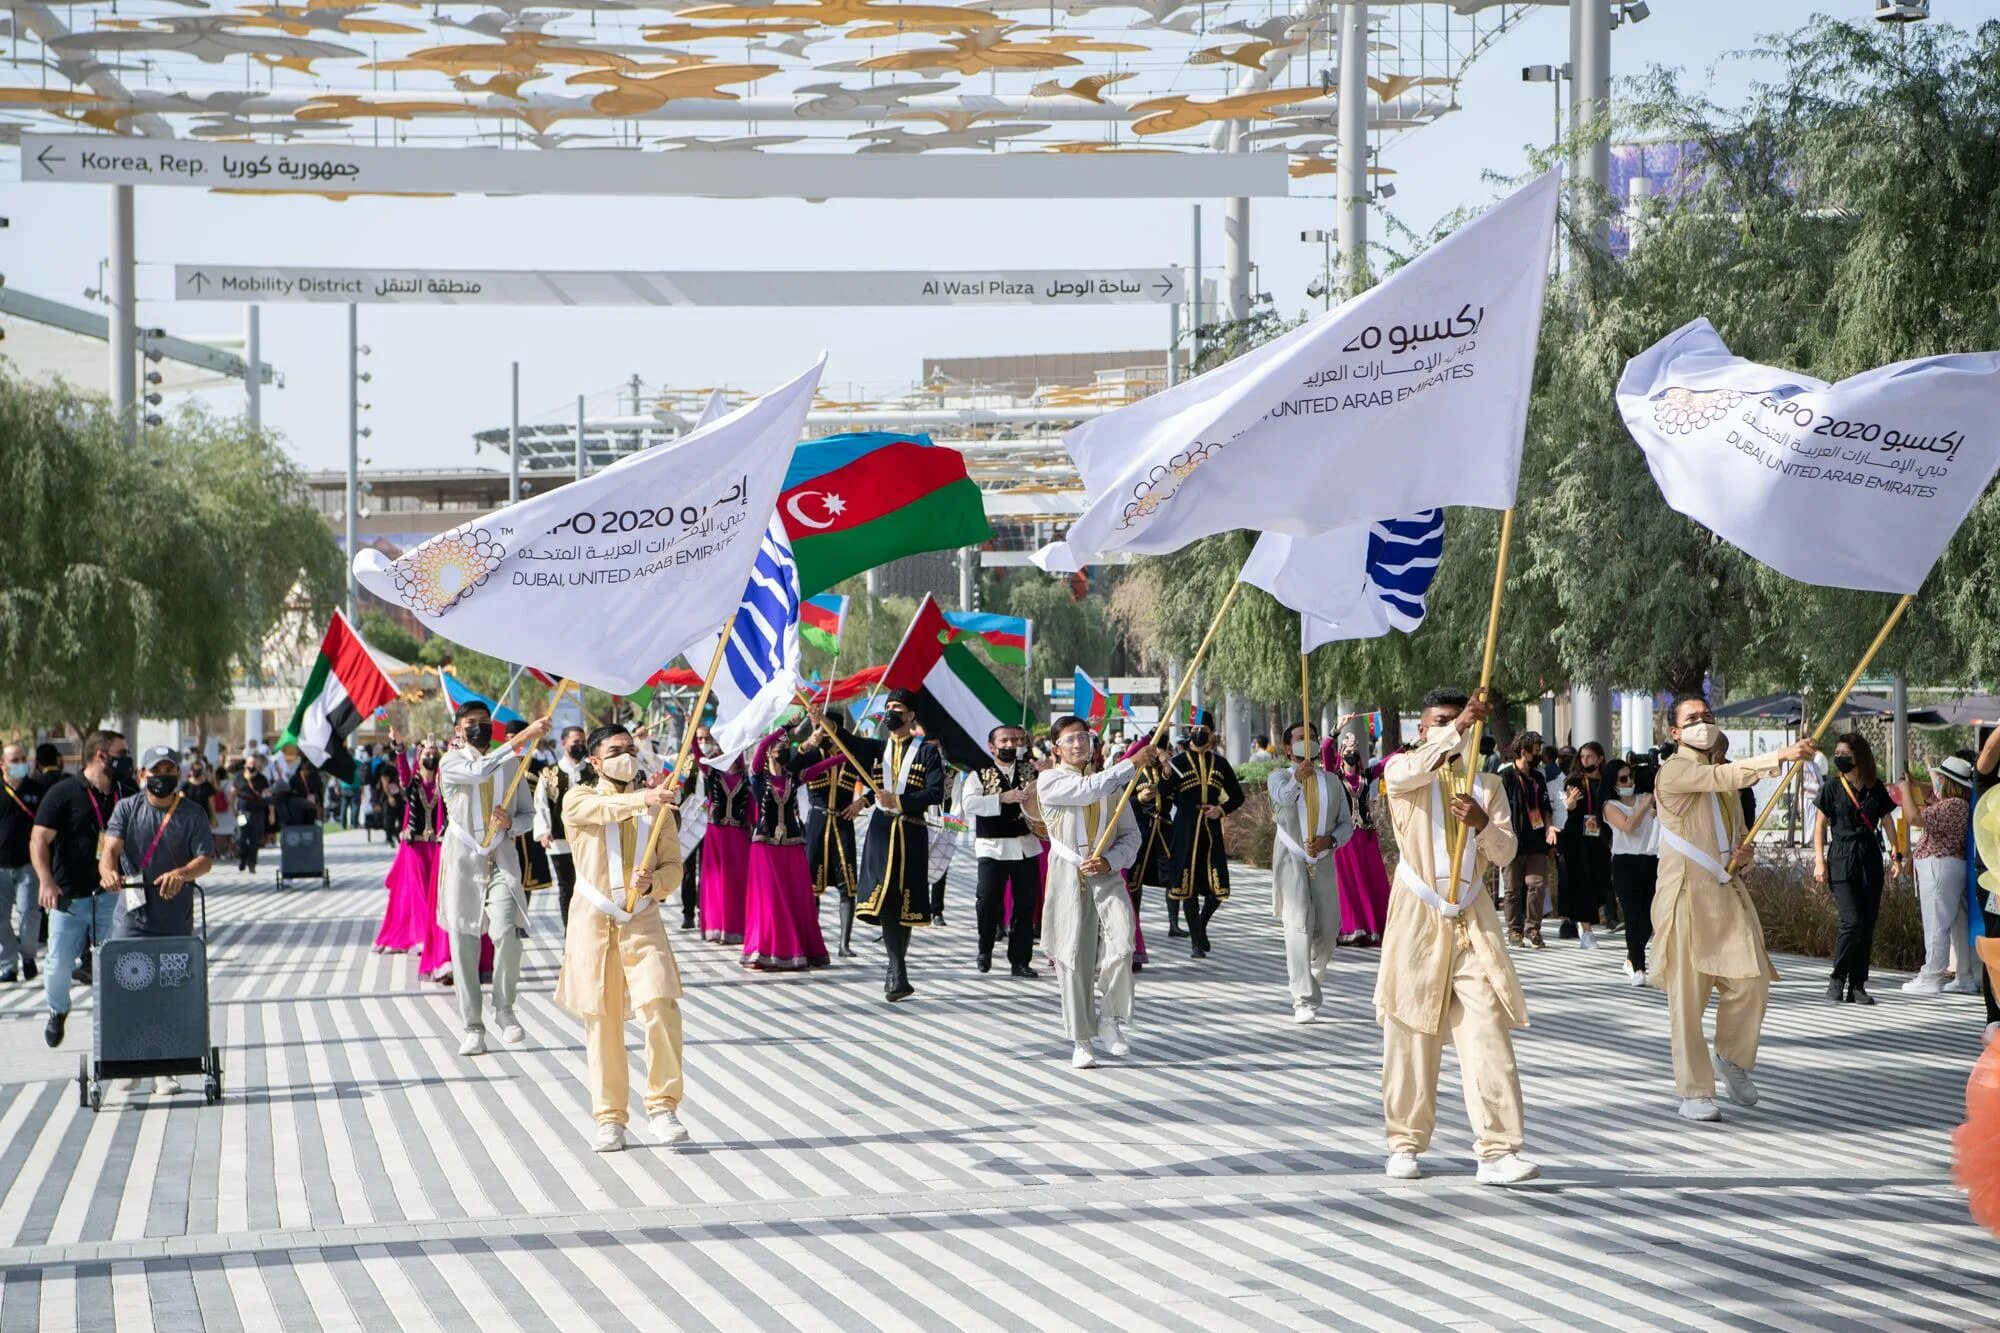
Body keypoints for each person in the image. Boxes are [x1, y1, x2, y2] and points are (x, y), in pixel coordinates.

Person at [1376, 688, 1538, 1186]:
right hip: (1417, 919)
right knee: (1411, 1034)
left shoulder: (1487, 784)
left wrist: (1483, 823)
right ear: (1422, 729)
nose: (1457, 729)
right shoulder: (1403, 774)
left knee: (1487, 1028)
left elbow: (1507, 853)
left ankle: (1497, 1150)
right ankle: (1404, 1141)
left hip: (1472, 920)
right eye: (1442, 722)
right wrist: (1461, 724)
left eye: (1462, 721)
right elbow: (1406, 771)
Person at [1652, 696, 1816, 1122]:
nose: (1702, 723)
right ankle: (1695, 1091)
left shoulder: (1722, 787)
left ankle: (1732, 1057)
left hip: (1726, 893)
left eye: (1707, 716)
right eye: (1692, 719)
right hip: (1687, 895)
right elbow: (1724, 775)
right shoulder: (1676, 770)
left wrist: (1744, 855)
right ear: (1675, 732)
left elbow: (1740, 836)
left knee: (1752, 981)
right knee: (1688, 1000)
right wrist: (1780, 755)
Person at [557, 723, 690, 1153]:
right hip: (594, 924)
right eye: (616, 750)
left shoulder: (659, 809)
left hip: (642, 922)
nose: (627, 756)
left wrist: (654, 883)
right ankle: (610, 1117)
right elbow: (600, 812)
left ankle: (663, 1105)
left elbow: (675, 867)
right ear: (594, 760)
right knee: (603, 1022)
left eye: (632, 749)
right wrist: (645, 798)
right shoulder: (579, 798)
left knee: (661, 1006)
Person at [98, 746, 215, 1096]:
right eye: (155, 770)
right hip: (132, 918)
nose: (162, 776)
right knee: (128, 990)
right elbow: (110, 851)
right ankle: (129, 1064)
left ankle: (166, 1068)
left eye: (169, 769)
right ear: (141, 776)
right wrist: (107, 871)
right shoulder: (127, 809)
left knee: (170, 993)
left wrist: (182, 872)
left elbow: (205, 860)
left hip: (174, 920)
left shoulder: (191, 813)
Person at [437, 702, 551, 1056]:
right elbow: (477, 772)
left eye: (485, 722)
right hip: (462, 861)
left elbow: (528, 815)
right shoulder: (451, 762)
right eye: (471, 723)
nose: (479, 728)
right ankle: (472, 1026)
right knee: (465, 943)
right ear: (459, 729)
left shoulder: (510, 764)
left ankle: (504, 1009)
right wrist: (524, 738)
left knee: (508, 932)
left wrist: (510, 824)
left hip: (501, 860)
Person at [1036, 715, 1146, 1068]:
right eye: (1070, 740)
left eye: (1084, 737)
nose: (1079, 744)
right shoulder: (1050, 781)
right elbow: (1085, 792)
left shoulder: (1112, 786)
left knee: (1123, 942)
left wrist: (1112, 860)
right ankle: (1081, 1039)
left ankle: (1110, 1018)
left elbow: (1132, 835)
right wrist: (1130, 764)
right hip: (1069, 874)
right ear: (1057, 749)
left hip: (1106, 874)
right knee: (1074, 957)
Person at [30, 729, 134, 1047]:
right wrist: (46, 881)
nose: (126, 759)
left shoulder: (127, 793)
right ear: (102, 756)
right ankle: (58, 1010)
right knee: (58, 965)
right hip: (68, 897)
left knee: (115, 964)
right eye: (122, 752)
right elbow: (39, 840)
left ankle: (115, 1027)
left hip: (111, 897)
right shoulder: (64, 793)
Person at [844, 690, 947, 1003]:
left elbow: (935, 793)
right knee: (885, 896)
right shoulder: (878, 748)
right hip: (881, 831)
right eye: (888, 707)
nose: (891, 712)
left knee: (905, 901)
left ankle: (895, 968)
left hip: (911, 832)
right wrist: (826, 725)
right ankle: (897, 969)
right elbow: (847, 743)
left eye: (897, 708)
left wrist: (901, 801)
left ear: (911, 715)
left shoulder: (927, 752)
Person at [1270, 721, 1355, 1023]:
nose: (1307, 741)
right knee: (1298, 925)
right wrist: (1297, 780)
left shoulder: (1332, 781)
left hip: (1323, 860)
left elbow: (1346, 824)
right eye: (1299, 738)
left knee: (1329, 929)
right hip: (1290, 860)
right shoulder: (1278, 777)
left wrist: (1329, 841)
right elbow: (1283, 799)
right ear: (1288, 747)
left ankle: (1314, 974)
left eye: (1312, 737)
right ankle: (1303, 999)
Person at [1812, 732, 1902, 1006]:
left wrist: (1897, 855)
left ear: (1859, 757)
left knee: (1867, 924)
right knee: (1851, 921)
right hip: (1841, 856)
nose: (1839, 759)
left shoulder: (1875, 787)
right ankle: (1837, 979)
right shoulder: (1831, 787)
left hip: (1869, 857)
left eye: (1845, 756)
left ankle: (1858, 985)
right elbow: (1819, 825)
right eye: (1837, 754)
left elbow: (1887, 821)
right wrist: (1819, 860)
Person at [957, 723, 1045, 978]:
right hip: (992, 848)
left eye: (1015, 740)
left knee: (1025, 905)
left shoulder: (1031, 770)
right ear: (992, 746)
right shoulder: (979, 773)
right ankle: (984, 947)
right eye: (1004, 740)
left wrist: (1046, 776)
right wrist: (1001, 798)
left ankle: (1020, 961)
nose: (1010, 745)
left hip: (1026, 847)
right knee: (987, 901)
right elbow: (969, 804)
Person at [741, 726, 831, 971]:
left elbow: (818, 769)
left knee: (796, 897)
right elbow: (760, 747)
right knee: (769, 898)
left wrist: (844, 754)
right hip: (764, 845)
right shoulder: (758, 776)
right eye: (779, 748)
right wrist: (785, 728)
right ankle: (767, 949)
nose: (784, 751)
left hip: (792, 844)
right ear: (770, 753)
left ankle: (799, 950)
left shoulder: (792, 777)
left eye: (786, 748)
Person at [1160, 709, 1244, 960]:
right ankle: (1196, 942)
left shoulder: (1220, 763)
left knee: (1217, 890)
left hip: (1211, 833)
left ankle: (1201, 925)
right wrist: (1164, 771)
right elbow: (1164, 793)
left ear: (1211, 734)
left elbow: (1238, 796)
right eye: (1194, 730)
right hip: (1185, 831)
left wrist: (1221, 809)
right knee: (1187, 889)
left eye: (1203, 731)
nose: (1197, 734)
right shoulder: (1177, 763)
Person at [1905, 754, 1979, 996]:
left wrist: (1904, 789)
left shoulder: (1951, 805)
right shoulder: (1960, 803)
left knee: (1936, 923)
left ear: (1948, 782)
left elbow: (1914, 817)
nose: (1936, 783)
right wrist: (1916, 784)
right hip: (1951, 866)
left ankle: (1932, 976)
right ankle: (1964, 976)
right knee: (1958, 923)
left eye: (1940, 779)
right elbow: (1930, 793)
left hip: (1939, 866)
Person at [799, 718, 863, 955]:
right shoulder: (814, 754)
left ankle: (844, 944)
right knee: (811, 887)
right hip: (817, 823)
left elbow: (875, 780)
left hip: (843, 824)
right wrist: (807, 743)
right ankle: (811, 940)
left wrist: (862, 802)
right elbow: (791, 765)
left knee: (848, 887)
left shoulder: (852, 756)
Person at [1326, 728, 1392, 947]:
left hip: (1366, 836)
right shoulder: (1335, 777)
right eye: (1348, 750)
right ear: (1341, 753)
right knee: (1347, 882)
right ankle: (1352, 928)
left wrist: (1407, 748)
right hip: (1345, 837)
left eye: (1355, 750)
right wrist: (1334, 732)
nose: (1351, 753)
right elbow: (1326, 750)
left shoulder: (1365, 775)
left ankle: (1373, 927)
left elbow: (1385, 763)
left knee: (1370, 879)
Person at [1602, 757, 1660, 985]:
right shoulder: (1610, 805)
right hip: (1625, 863)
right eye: (1623, 779)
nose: (1629, 782)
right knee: (1633, 916)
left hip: (1649, 859)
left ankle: (1631, 956)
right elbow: (1628, 825)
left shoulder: (1645, 798)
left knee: (1649, 917)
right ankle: (1638, 966)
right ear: (1614, 782)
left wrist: (1653, 809)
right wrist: (1645, 806)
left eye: (1631, 777)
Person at [1497, 733, 1558, 948]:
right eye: (1536, 750)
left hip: (1536, 843)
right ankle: (1514, 930)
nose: (1539, 754)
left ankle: (1533, 929)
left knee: (1537, 885)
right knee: (1512, 889)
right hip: (1512, 843)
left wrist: (1550, 828)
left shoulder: (1538, 778)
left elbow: (1545, 808)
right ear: (1523, 752)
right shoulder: (1505, 777)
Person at [534, 725, 589, 936]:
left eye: (583, 742)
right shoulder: (549, 774)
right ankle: (570, 932)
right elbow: (541, 803)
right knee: (567, 887)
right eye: (576, 742)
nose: (580, 746)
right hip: (560, 841)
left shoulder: (592, 772)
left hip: (588, 840)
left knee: (587, 887)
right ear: (564, 744)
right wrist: (544, 831)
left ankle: (587, 931)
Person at [1557, 742, 1613, 949]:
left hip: (1600, 839)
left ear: (1600, 759)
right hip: (1577, 840)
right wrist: (1569, 803)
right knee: (1583, 884)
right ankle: (1587, 931)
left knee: (1601, 882)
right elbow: (1566, 807)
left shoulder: (1607, 782)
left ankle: (1584, 922)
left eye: (1590, 757)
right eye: (1583, 757)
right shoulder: (1574, 782)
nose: (1586, 761)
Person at [0, 742, 47, 984]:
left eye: (22, 759)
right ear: (2, 764)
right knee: (1, 918)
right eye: (14, 760)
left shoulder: (37, 790)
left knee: (30, 913)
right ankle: (8, 965)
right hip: (1, 867)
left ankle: (28, 956)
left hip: (29, 865)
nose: (20, 764)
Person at [698, 747, 752, 947]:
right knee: (716, 881)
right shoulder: (713, 774)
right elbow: (698, 755)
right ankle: (716, 927)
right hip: (716, 833)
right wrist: (692, 730)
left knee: (737, 880)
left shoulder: (746, 780)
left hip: (739, 834)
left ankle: (737, 928)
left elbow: (752, 809)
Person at [230, 754, 272, 873]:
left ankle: (252, 863)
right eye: (250, 764)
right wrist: (232, 809)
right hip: (242, 813)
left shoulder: (262, 779)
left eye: (254, 764)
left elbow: (268, 795)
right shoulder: (238, 777)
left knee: (255, 839)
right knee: (240, 838)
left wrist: (271, 812)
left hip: (257, 813)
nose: (252, 766)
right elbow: (233, 794)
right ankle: (243, 858)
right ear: (245, 764)